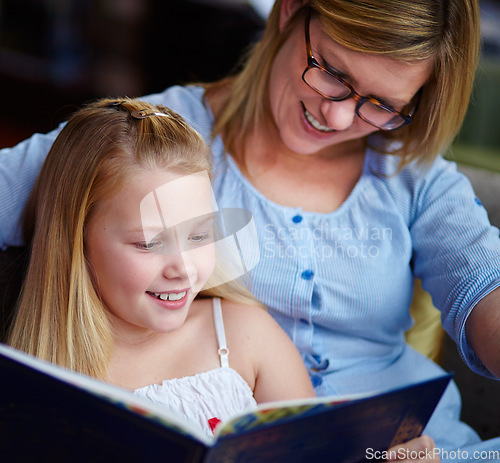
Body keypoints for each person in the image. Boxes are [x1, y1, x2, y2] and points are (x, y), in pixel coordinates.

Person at [1, 0, 499, 460]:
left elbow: (485, 288)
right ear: (288, 13)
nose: (338, 114)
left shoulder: (415, 175)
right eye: (331, 72)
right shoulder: (153, 148)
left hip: (423, 449)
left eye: (383, 105)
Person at [6, 98, 317, 437]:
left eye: (199, 236)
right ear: (76, 239)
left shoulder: (247, 334)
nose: (183, 269)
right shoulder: (37, 378)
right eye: (150, 243)